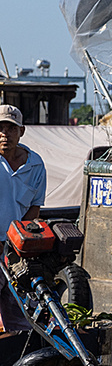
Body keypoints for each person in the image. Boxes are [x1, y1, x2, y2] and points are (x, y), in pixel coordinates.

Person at [0, 104, 47, 334]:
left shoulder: (36, 165)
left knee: (18, 312)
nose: (4, 134)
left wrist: (17, 244)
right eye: (0, 128)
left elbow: (33, 210)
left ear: (22, 132)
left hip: (15, 250)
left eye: (11, 128)